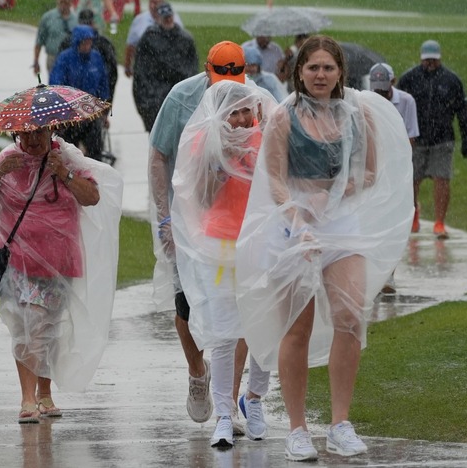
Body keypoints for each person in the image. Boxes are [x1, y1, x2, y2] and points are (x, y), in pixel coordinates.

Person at [232, 35, 413, 461]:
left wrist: (337, 192)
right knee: (297, 325)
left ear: (339, 73)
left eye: (328, 68)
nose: (320, 75)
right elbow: (275, 179)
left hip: (341, 222)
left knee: (350, 317)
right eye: (312, 67)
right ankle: (298, 430)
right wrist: (299, 216)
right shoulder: (284, 116)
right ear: (299, 71)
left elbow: (370, 171)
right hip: (293, 226)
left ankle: (340, 424)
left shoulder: (357, 114)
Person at [149, 41, 270, 438]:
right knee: (187, 307)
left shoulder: (260, 102)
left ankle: (231, 404)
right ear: (207, 70)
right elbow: (159, 156)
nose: (238, 112)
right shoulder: (182, 98)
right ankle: (197, 372)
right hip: (192, 224)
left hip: (248, 235)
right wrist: (165, 217)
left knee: (243, 318)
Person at [0, 125, 121, 423]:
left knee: (47, 328)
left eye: (38, 133)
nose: (32, 139)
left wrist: (64, 172)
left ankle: (44, 393)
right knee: (28, 325)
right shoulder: (7, 159)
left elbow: (91, 196)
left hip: (59, 263)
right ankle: (28, 398)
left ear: (51, 129)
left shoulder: (66, 157)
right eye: (25, 134)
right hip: (18, 263)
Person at [170, 80, 278, 447]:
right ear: (220, 115)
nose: (242, 118)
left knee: (263, 328)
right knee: (223, 333)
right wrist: (220, 165)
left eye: (247, 110)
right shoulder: (207, 142)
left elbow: (279, 185)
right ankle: (223, 414)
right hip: (220, 245)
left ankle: (255, 399)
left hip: (260, 242)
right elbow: (199, 198)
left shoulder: (267, 139)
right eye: (234, 112)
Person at [397, 40, 467, 239]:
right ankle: (413, 214)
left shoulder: (451, 81)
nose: (430, 63)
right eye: (426, 60)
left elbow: (462, 112)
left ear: (439, 59)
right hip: (415, 139)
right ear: (421, 59)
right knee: (412, 181)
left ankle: (439, 222)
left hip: (442, 139)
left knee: (442, 179)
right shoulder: (409, 79)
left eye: (433, 60)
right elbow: (397, 108)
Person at [369, 62, 419, 294]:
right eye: (376, 88)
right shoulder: (366, 101)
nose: (380, 92)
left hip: (396, 169)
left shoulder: (407, 101)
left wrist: (392, 154)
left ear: (393, 81)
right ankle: (375, 274)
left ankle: (389, 275)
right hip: (373, 169)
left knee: (392, 224)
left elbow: (411, 137)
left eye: (384, 87)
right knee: (373, 223)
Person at [132, 2, 198, 132]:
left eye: (169, 17)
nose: (168, 20)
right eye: (165, 17)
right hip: (155, 95)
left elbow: (192, 70)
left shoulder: (185, 39)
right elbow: (141, 69)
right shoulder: (149, 38)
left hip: (177, 94)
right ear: (158, 18)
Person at [49, 25, 111, 162]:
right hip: (70, 115)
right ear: (77, 42)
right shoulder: (65, 58)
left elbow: (103, 83)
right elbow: (56, 84)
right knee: (68, 153)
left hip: (91, 112)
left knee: (95, 150)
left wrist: (104, 110)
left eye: (90, 42)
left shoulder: (96, 58)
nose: (88, 46)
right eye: (85, 42)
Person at [59, 9, 118, 105]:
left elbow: (107, 78)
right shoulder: (66, 51)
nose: (87, 46)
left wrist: (105, 102)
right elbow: (57, 79)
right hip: (71, 103)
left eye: (89, 43)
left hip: (93, 103)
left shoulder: (100, 50)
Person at [123, 0, 183, 78]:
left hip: (168, 68)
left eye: (156, 3)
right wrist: (127, 66)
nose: (152, 6)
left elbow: (182, 43)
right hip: (145, 68)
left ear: (162, 3)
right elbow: (131, 45)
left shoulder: (174, 20)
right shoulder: (139, 20)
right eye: (151, 2)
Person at [32, 0, 77, 79]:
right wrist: (36, 61)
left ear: (70, 3)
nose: (63, 5)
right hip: (53, 57)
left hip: (71, 59)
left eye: (65, 2)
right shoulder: (48, 18)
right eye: (61, 1)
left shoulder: (76, 19)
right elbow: (39, 41)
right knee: (55, 83)